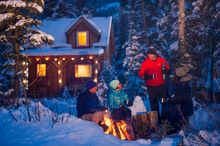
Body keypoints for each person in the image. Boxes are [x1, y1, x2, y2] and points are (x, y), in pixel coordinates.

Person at [138, 47, 170, 123]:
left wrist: (166, 71)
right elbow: (140, 74)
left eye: (151, 54)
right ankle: (157, 122)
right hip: (152, 88)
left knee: (164, 102)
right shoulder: (146, 62)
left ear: (154, 54)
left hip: (161, 87)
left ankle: (165, 121)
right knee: (154, 105)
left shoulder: (161, 60)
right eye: (148, 55)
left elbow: (168, 69)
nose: (149, 56)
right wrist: (147, 77)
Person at [162, 66, 194, 133]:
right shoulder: (172, 82)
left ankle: (175, 128)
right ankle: (168, 127)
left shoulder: (183, 85)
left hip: (181, 108)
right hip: (175, 106)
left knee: (172, 110)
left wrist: (170, 99)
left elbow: (181, 98)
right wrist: (164, 100)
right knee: (167, 108)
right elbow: (165, 95)